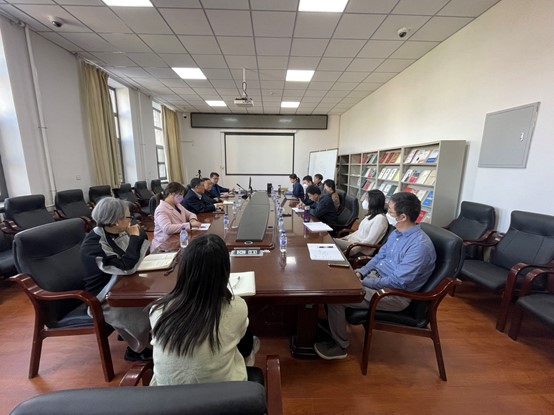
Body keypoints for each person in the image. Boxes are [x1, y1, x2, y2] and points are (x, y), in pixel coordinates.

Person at [314, 192, 437, 360]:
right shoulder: (397, 233)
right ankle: (333, 324)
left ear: (402, 217)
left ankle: (340, 346)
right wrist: (360, 272)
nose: (387, 213)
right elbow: (379, 257)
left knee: (336, 296)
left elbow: (398, 282)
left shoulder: (419, 246)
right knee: (332, 278)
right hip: (376, 279)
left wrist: (365, 281)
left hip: (393, 294)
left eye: (390, 210)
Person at [149, 234, 259, 385]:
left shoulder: (157, 310)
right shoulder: (236, 307)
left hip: (165, 398)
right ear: (224, 272)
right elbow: (243, 345)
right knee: (247, 344)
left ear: (184, 269)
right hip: (225, 397)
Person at [80, 197, 152, 361]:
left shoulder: (115, 232)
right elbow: (126, 267)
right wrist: (134, 238)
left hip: (121, 284)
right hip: (103, 297)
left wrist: (135, 236)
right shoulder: (94, 246)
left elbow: (133, 253)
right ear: (116, 221)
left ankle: (143, 336)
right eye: (128, 217)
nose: (131, 220)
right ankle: (137, 349)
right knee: (141, 306)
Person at [333, 189, 389, 256]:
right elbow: (359, 232)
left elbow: (369, 242)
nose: (364, 201)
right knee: (331, 241)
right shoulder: (371, 215)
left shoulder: (380, 219)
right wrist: (346, 238)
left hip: (359, 249)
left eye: (366, 199)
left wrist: (350, 251)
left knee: (331, 242)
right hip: (352, 243)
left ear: (374, 202)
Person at [151, 182, 202, 252]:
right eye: (180, 194)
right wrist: (190, 225)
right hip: (164, 245)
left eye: (182, 194)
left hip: (178, 239)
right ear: (171, 194)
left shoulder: (177, 205)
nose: (182, 197)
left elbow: (190, 214)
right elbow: (167, 228)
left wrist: (193, 219)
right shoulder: (161, 209)